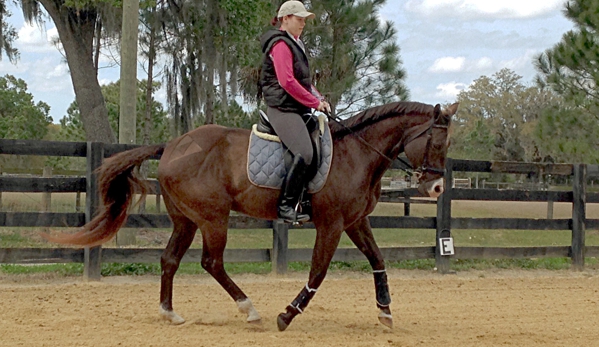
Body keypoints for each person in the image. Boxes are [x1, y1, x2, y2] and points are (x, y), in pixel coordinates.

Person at [259, 0, 330, 223]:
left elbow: (304, 82)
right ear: (286, 18)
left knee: (319, 141)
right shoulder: (280, 45)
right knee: (304, 152)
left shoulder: (296, 43)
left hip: (296, 108)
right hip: (281, 108)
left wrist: (319, 99)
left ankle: (306, 198)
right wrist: (313, 102)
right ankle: (286, 206)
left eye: (304, 20)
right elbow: (287, 82)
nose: (303, 24)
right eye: (299, 20)